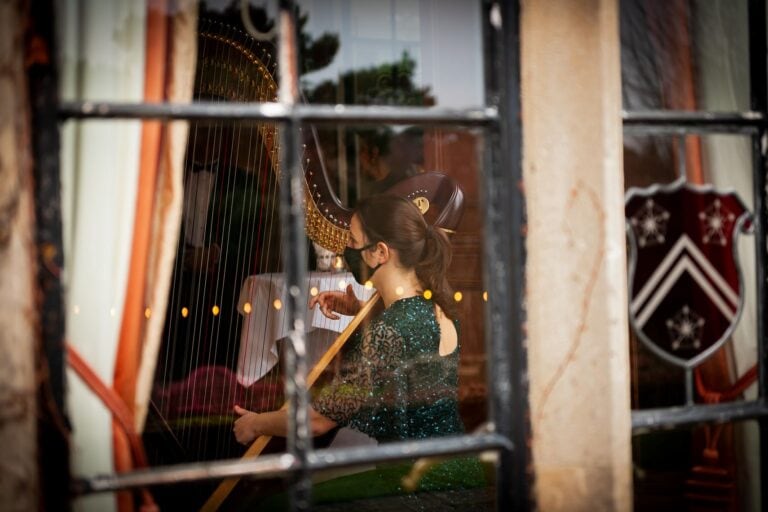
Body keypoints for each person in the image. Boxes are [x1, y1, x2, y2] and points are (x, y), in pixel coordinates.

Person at [232, 193, 485, 504]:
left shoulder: (388, 332)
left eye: (352, 241)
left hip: (417, 490)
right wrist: (357, 307)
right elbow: (411, 335)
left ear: (379, 252)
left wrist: (254, 424)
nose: (346, 250)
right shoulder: (438, 304)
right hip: (459, 474)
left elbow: (317, 422)